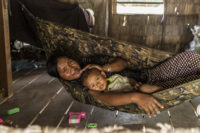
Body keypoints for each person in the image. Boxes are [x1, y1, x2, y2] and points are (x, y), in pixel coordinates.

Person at [46, 51, 200, 117]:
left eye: (70, 62)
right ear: (62, 78)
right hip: (145, 89)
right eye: (65, 70)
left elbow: (122, 63)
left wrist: (104, 68)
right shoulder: (81, 87)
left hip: (147, 74)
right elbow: (105, 99)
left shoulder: (88, 61)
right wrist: (136, 97)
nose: (72, 68)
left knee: (190, 58)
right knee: (189, 84)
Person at [81, 68, 160, 93]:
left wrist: (136, 84)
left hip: (135, 90)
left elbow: (129, 80)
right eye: (93, 85)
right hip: (129, 99)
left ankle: (163, 92)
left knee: (143, 87)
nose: (98, 84)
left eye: (97, 79)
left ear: (103, 74)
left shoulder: (115, 78)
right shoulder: (104, 94)